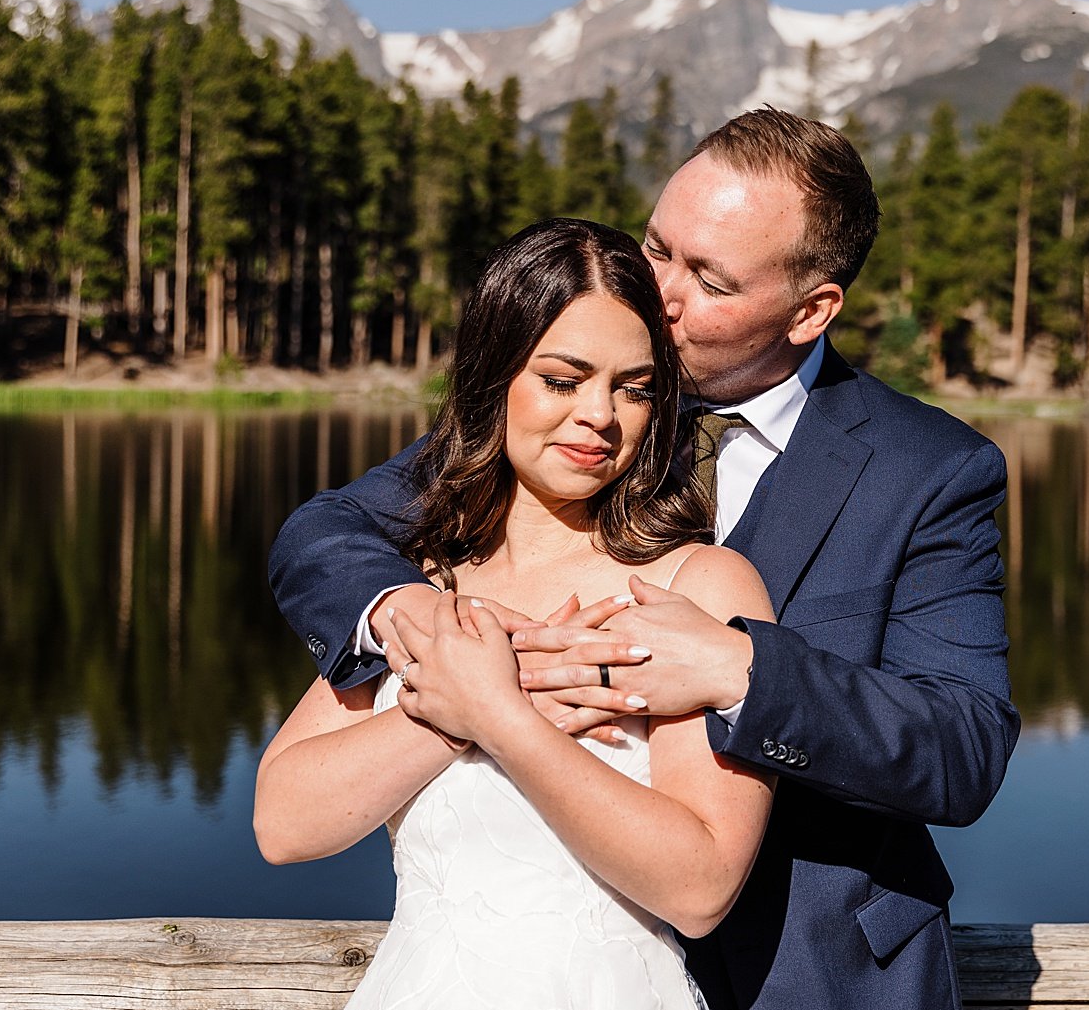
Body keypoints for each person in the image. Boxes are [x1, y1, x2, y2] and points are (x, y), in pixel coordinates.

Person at [269, 108, 1020, 1009]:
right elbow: (327, 532)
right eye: (658, 246)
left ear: (810, 308)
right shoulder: (555, 431)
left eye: (708, 277)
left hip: (815, 974)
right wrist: (415, 623)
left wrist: (743, 670)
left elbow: (963, 747)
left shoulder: (928, 467)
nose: (656, 291)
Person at [256, 217, 777, 1009]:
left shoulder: (700, 585)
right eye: (564, 380)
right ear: (493, 376)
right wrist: (452, 707)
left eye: (634, 387)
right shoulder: (425, 584)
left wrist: (504, 715)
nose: (601, 415)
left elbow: (701, 886)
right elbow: (283, 823)